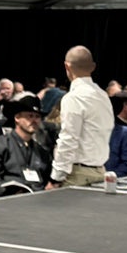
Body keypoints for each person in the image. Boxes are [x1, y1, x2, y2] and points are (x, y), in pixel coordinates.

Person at [47, 46, 112, 189]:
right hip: (101, 171)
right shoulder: (103, 96)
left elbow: (69, 139)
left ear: (66, 66)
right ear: (93, 67)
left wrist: (55, 178)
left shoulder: (73, 98)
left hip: (77, 175)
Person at [0, 97, 51, 196]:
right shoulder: (0, 144)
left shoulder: (41, 152)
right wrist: (8, 193)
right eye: (30, 116)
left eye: (37, 117)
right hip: (8, 200)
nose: (34, 120)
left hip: (38, 200)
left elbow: (46, 179)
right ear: (17, 118)